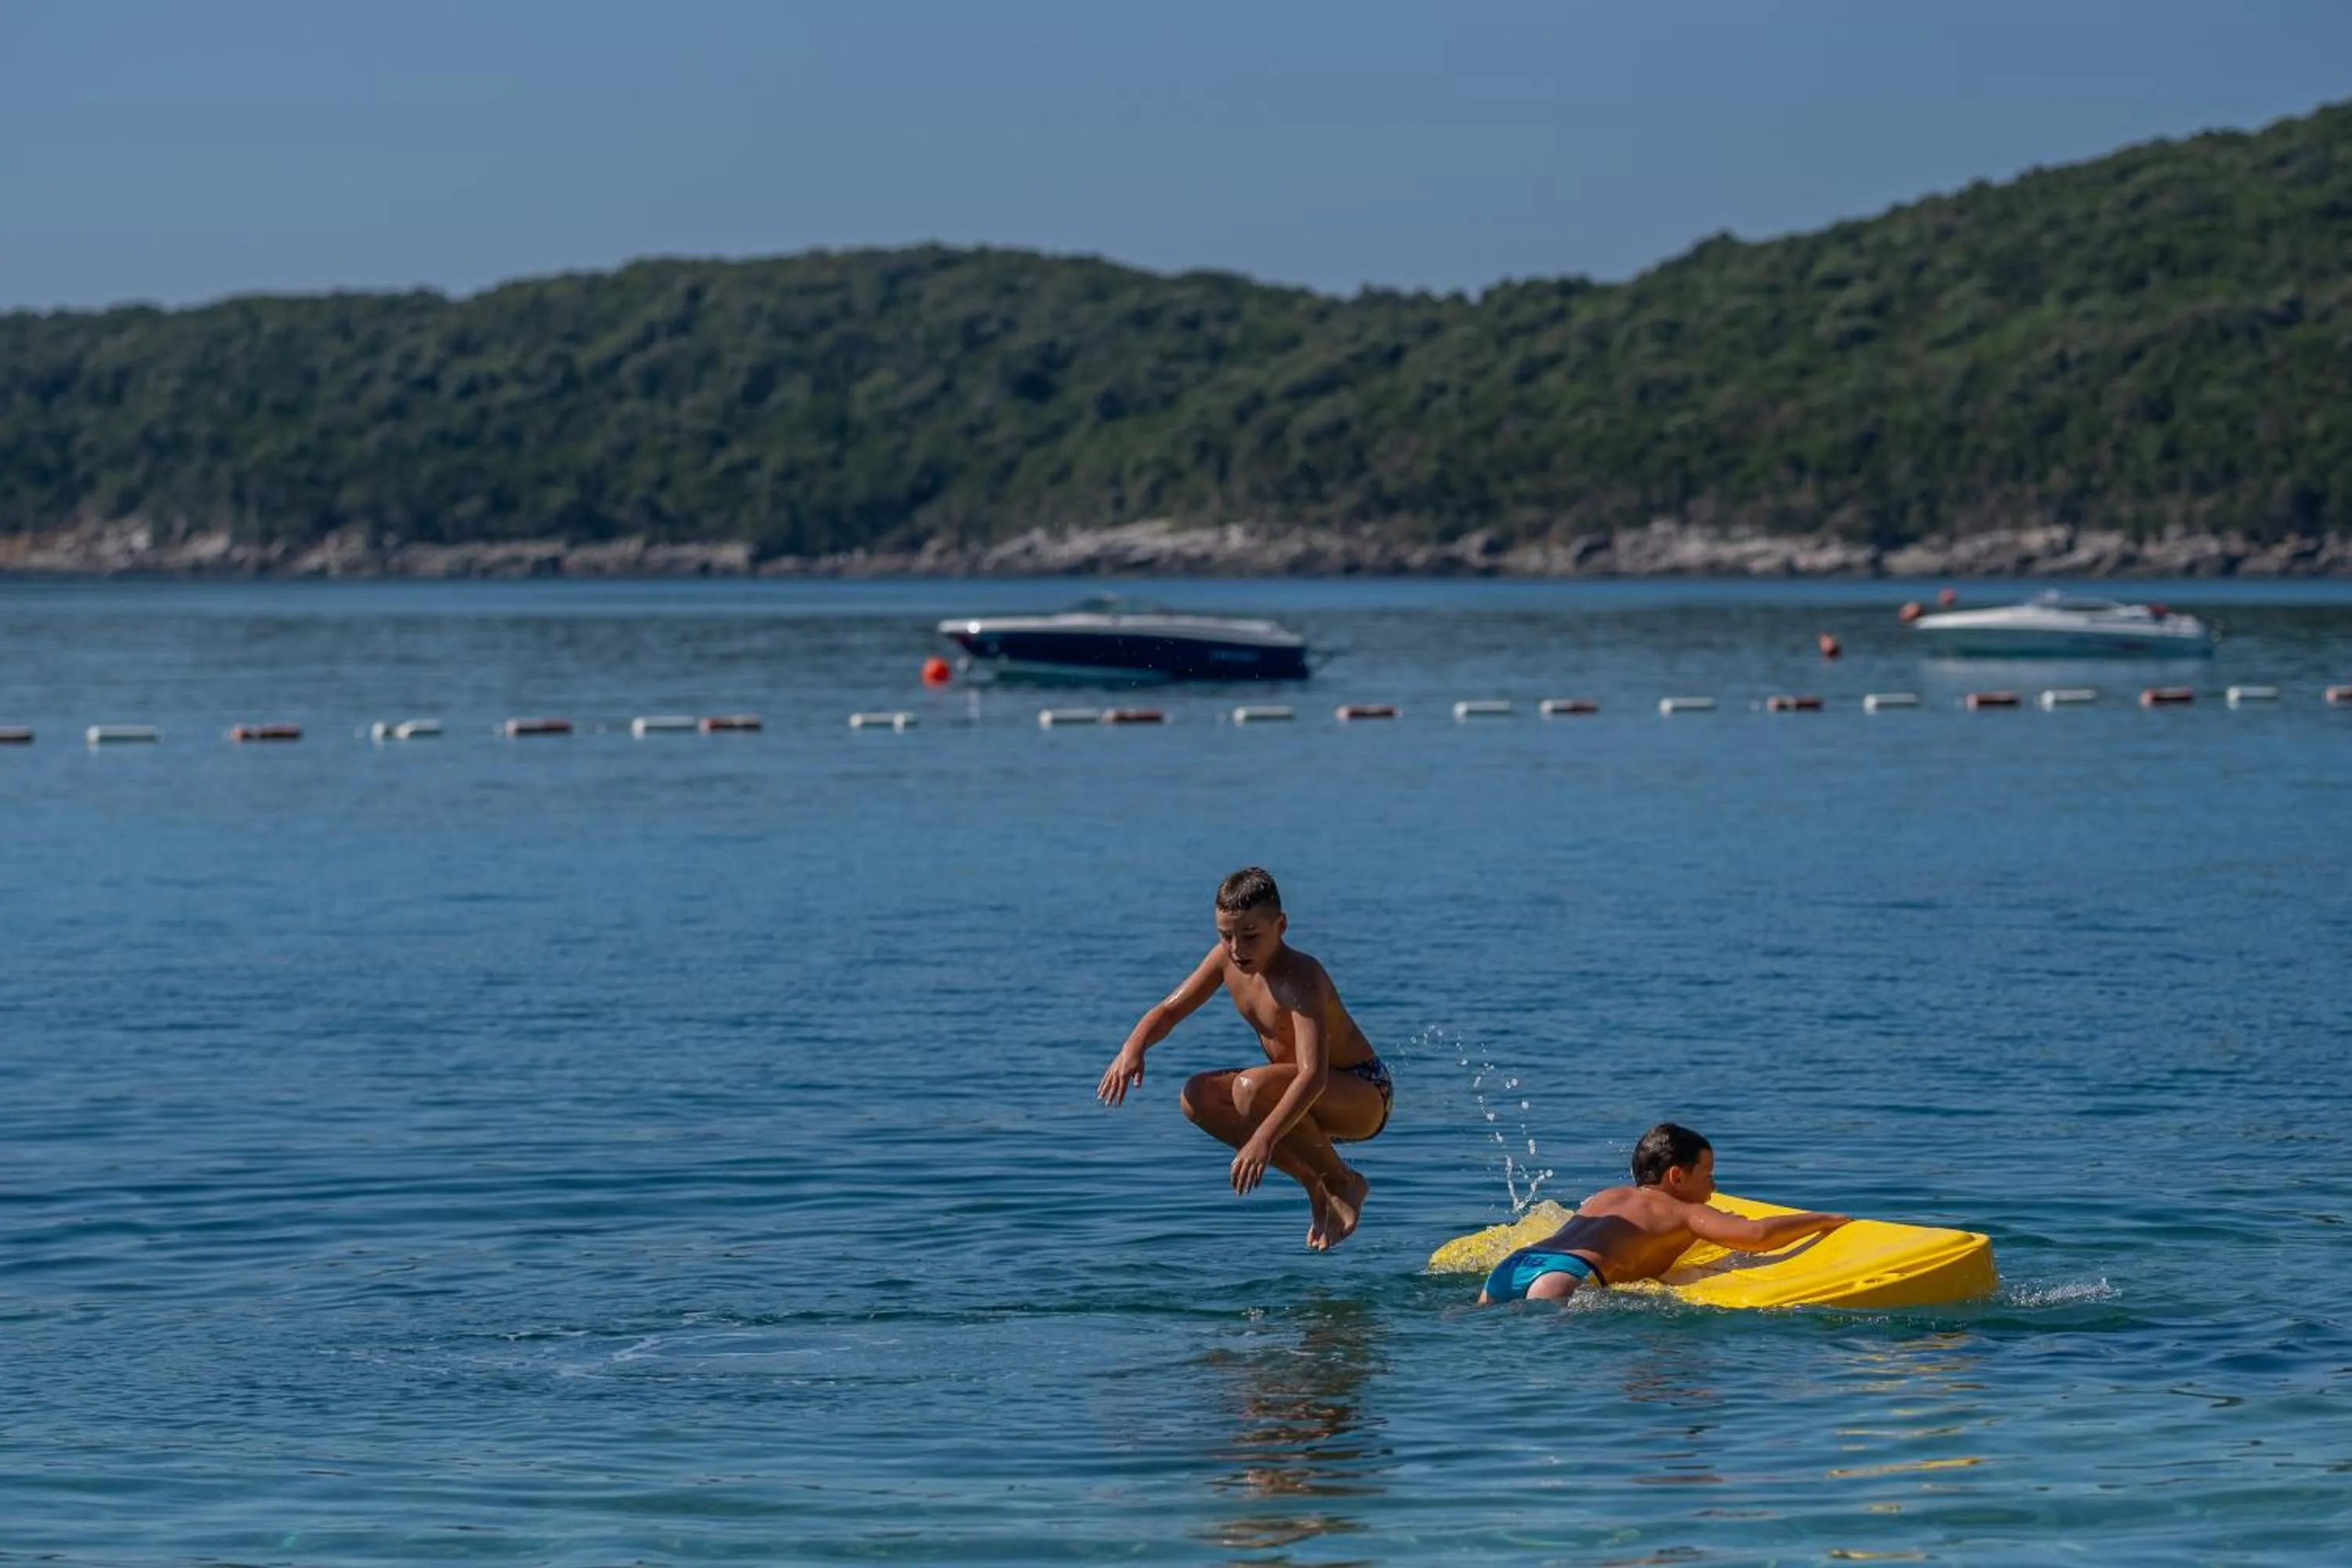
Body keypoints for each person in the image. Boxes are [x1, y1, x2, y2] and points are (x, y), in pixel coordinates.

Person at [1097, 867, 1392, 1250]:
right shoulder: (1225, 960)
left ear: (1281, 926)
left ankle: (1342, 1182)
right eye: (1226, 936)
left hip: (1361, 1094)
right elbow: (1169, 1011)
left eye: (1251, 937)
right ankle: (1315, 1182)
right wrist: (1132, 1048)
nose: (1237, 949)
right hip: (1300, 1101)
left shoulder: (1301, 976)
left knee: (1250, 1089)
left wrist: (1263, 1140)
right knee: (1198, 1096)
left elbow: (1314, 1076)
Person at [1478, 1123, 1848, 1304]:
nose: (1713, 1188)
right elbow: (1759, 1236)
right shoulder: (1685, 1212)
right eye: (1707, 1176)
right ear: (1676, 1176)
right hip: (1566, 1277)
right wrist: (1825, 1220)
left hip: (1517, 1264)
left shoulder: (1606, 1197)